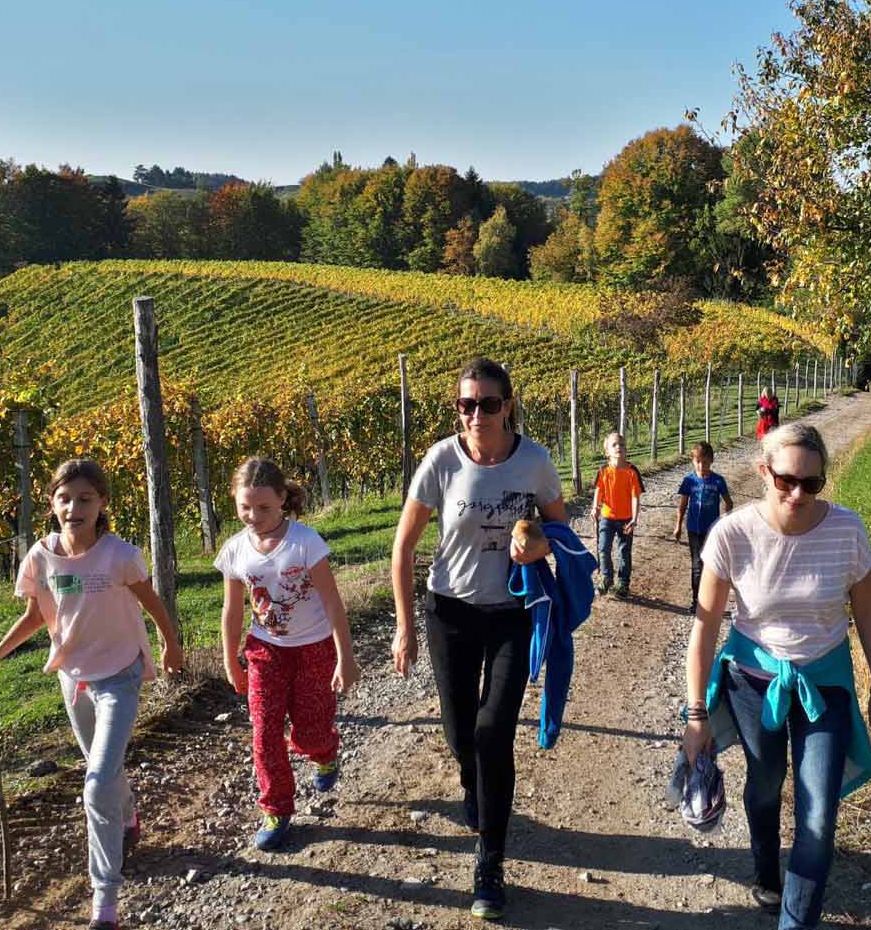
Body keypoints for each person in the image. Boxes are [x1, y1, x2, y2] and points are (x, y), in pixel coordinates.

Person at [682, 423, 871, 929]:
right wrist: (696, 714)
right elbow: (705, 627)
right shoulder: (733, 534)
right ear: (764, 472)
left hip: (825, 687)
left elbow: (868, 614)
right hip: (753, 686)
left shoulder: (847, 530)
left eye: (812, 484)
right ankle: (766, 869)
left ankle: (795, 922)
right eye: (786, 481)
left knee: (817, 816)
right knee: (765, 785)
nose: (798, 494)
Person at [0, 459, 182, 930]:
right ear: (51, 504)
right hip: (74, 679)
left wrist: (171, 643)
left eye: (85, 498)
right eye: (64, 499)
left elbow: (152, 602)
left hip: (120, 675)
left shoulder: (119, 556)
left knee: (97, 781)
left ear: (102, 503)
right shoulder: (41, 558)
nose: (74, 508)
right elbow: (37, 615)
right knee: (102, 770)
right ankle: (128, 817)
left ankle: (105, 901)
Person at [390, 356, 564, 920]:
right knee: (459, 731)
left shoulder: (535, 462)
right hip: (451, 612)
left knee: (493, 732)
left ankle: (490, 862)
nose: (477, 414)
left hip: (512, 613)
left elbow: (560, 532)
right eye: (467, 404)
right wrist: (404, 626)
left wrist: (538, 544)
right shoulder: (442, 460)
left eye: (488, 403)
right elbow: (404, 547)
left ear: (507, 405)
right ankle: (473, 781)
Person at [217, 457, 360, 851]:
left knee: (310, 733)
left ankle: (324, 752)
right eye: (245, 507)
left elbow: (332, 602)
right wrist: (230, 659)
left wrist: (345, 657)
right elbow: (232, 610)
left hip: (314, 649)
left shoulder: (305, 542)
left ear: (282, 499)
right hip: (265, 652)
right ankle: (276, 808)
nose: (253, 516)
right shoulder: (235, 550)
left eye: (263, 507)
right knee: (264, 734)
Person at [672, 441, 733, 614]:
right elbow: (682, 505)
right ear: (693, 461)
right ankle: (696, 601)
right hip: (694, 529)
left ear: (711, 461)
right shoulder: (689, 481)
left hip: (712, 530)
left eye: (705, 462)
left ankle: (711, 600)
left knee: (712, 565)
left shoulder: (718, 481)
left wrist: (725, 523)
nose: (701, 466)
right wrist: (678, 526)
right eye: (698, 462)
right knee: (697, 565)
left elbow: (729, 502)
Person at [590, 431, 643, 597]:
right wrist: (595, 507)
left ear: (626, 449)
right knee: (603, 548)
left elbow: (635, 497)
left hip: (626, 519)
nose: (618, 447)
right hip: (607, 517)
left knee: (624, 551)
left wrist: (634, 519)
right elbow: (599, 491)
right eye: (614, 445)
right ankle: (606, 578)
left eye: (622, 444)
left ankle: (623, 583)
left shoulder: (632, 472)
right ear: (607, 452)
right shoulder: (603, 471)